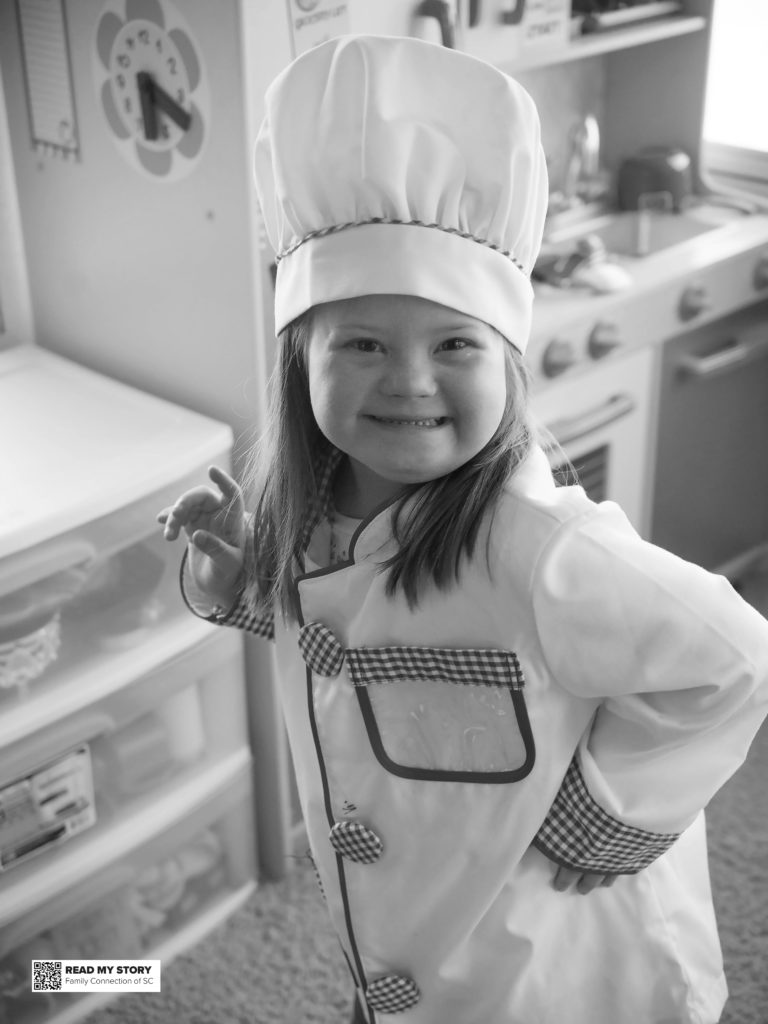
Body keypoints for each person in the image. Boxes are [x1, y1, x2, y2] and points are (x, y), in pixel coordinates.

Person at [158, 34, 768, 1024]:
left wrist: (607, 814)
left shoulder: (544, 551)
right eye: (360, 343)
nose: (407, 380)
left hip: (553, 974)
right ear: (297, 362)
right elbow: (335, 641)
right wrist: (238, 577)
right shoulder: (317, 511)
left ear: (508, 361)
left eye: (454, 344)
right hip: (417, 933)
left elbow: (738, 658)